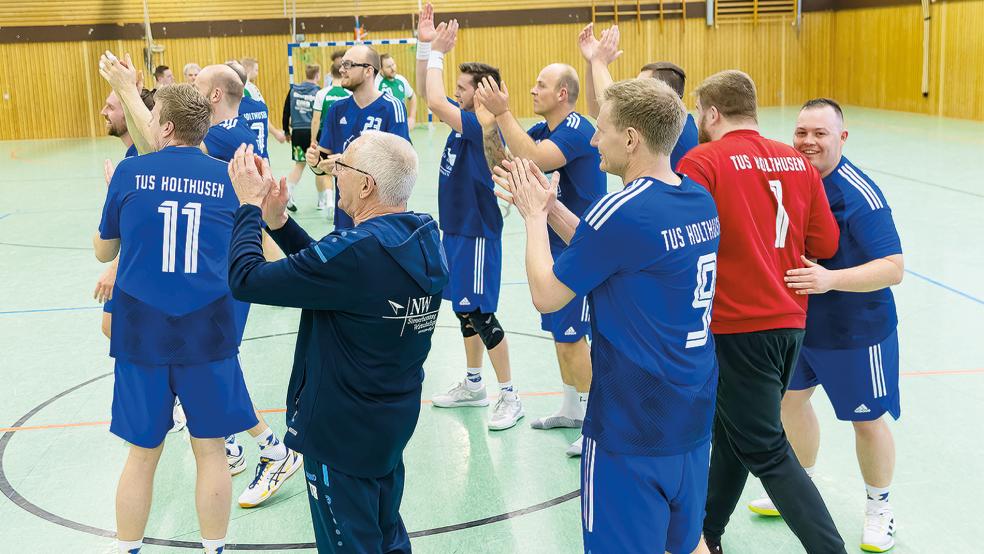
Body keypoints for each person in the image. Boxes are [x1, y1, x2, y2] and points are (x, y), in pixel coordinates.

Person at [495, 77, 719, 554]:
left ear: (632, 138)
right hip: (691, 418)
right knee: (686, 543)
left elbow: (547, 295)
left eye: (602, 130)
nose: (594, 140)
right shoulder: (697, 199)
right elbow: (617, 251)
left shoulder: (618, 210)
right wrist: (553, 207)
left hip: (630, 428)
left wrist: (534, 219)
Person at [226, 131, 448, 553]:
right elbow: (336, 277)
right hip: (387, 423)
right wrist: (281, 224)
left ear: (366, 185)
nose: (332, 171)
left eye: (342, 165)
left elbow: (246, 279)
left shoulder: (357, 254)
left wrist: (249, 208)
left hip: (340, 434)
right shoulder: (421, 239)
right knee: (385, 533)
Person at [99, 54, 302, 507]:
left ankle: (271, 449)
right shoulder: (191, 144)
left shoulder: (227, 141)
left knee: (215, 366)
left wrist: (129, 91)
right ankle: (235, 439)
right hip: (189, 270)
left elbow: (170, 164)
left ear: (210, 99)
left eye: (196, 79)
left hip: (218, 273)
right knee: (194, 359)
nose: (190, 81)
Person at [675, 70, 845, 554]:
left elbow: (683, 237)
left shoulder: (702, 159)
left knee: (766, 449)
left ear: (710, 113)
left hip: (735, 325)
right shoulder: (796, 161)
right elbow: (825, 242)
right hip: (789, 322)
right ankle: (708, 533)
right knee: (734, 436)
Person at [92, 82, 256, 554]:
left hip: (141, 329)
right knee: (211, 452)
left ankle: (128, 549)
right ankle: (215, 548)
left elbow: (105, 249)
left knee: (141, 458)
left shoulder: (131, 173)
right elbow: (250, 252)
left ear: (165, 126)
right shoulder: (227, 177)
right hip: (208, 328)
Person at [747, 98, 903, 553]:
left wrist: (830, 279)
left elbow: (893, 267)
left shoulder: (860, 195)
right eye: (801, 133)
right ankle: (802, 490)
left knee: (867, 421)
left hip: (857, 331)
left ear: (842, 137)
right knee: (791, 404)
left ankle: (879, 508)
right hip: (799, 327)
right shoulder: (791, 179)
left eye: (820, 134)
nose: (808, 142)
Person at [476, 58, 606, 457]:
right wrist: (488, 128)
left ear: (562, 94)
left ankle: (593, 424)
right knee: (558, 332)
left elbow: (533, 155)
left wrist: (503, 112)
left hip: (577, 243)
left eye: (540, 85)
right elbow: (504, 163)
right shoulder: (542, 130)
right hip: (551, 243)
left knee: (573, 339)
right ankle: (571, 408)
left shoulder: (578, 128)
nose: (532, 90)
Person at [415, 11, 521, 429]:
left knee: (481, 313)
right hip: (456, 230)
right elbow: (432, 96)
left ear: (481, 94)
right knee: (464, 311)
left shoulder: (482, 123)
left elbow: (434, 100)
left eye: (463, 88)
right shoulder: (465, 125)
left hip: (477, 233)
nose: (454, 93)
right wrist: (427, 47)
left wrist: (439, 54)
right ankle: (475, 383)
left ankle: (510, 394)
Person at [306, 45, 410, 230]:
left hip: (381, 219)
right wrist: (315, 163)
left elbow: (400, 167)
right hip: (345, 217)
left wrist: (349, 165)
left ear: (368, 70)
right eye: (342, 64)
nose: (341, 69)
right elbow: (324, 163)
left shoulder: (392, 107)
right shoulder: (336, 110)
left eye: (348, 64)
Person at [577, 24, 697, 169]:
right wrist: (591, 62)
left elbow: (613, 106)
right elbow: (597, 111)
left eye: (641, 88)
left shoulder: (667, 123)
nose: (634, 93)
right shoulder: (676, 119)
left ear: (660, 93)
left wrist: (599, 61)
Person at [310, 50, 351, 212]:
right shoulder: (349, 93)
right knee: (345, 170)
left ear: (330, 74)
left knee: (326, 169)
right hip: (345, 137)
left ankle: (328, 202)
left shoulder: (321, 93)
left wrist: (313, 140)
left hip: (325, 136)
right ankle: (345, 203)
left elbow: (315, 119)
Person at [283, 64, 322, 211]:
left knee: (299, 165)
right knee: (319, 166)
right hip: (314, 132)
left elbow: (286, 112)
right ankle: (322, 200)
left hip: (298, 132)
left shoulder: (293, 90)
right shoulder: (319, 92)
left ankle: (287, 193)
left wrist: (286, 131)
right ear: (317, 75)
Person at [376, 53, 418, 128]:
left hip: (401, 124)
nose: (393, 68)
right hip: (383, 126)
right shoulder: (376, 83)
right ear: (381, 69)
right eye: (388, 67)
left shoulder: (401, 80)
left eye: (393, 64)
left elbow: (412, 96)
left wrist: (412, 117)